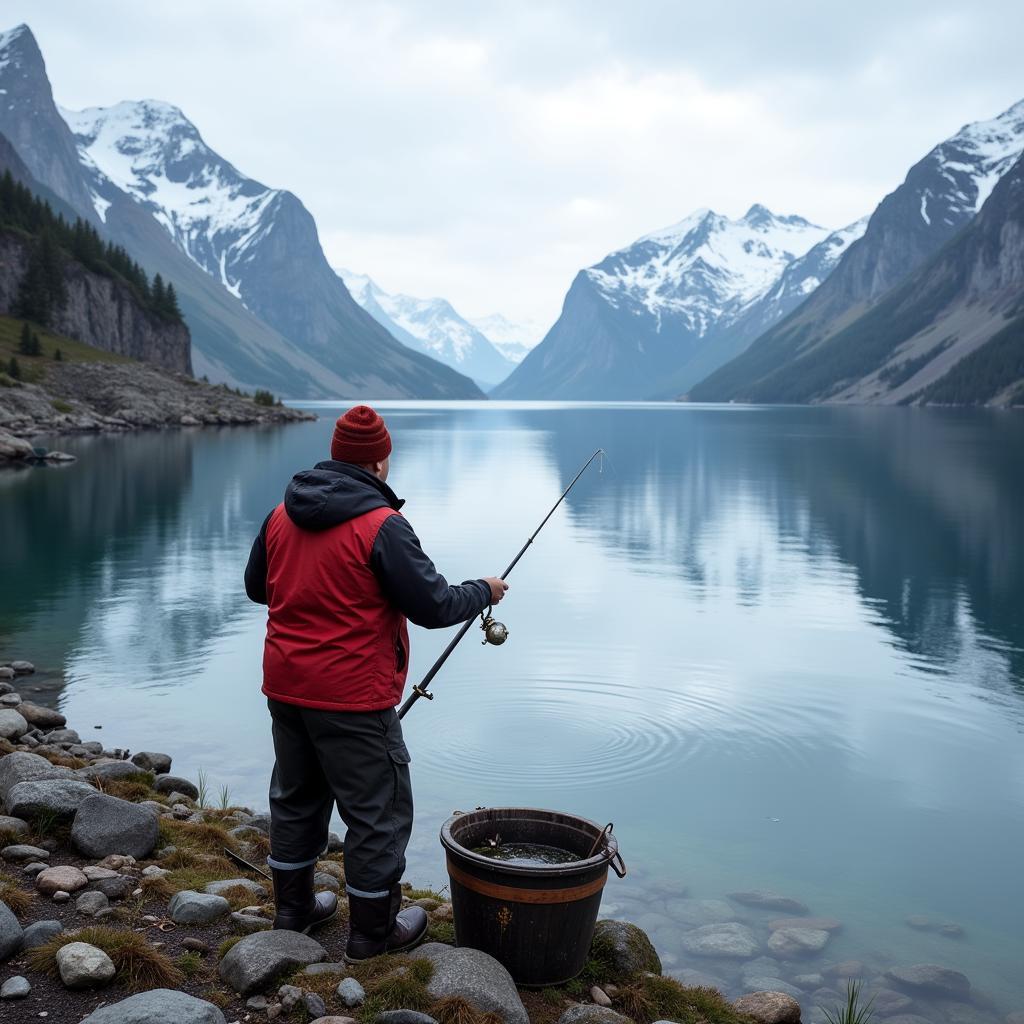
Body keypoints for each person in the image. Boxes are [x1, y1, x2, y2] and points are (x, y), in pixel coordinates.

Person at [244, 405, 507, 962]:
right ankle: (372, 933)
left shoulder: (278, 516)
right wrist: (483, 589)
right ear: (381, 459)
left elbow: (258, 589)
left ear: (338, 453)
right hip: (354, 698)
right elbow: (435, 605)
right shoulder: (381, 525)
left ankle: (293, 912)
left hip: (286, 686)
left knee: (295, 797)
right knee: (377, 812)